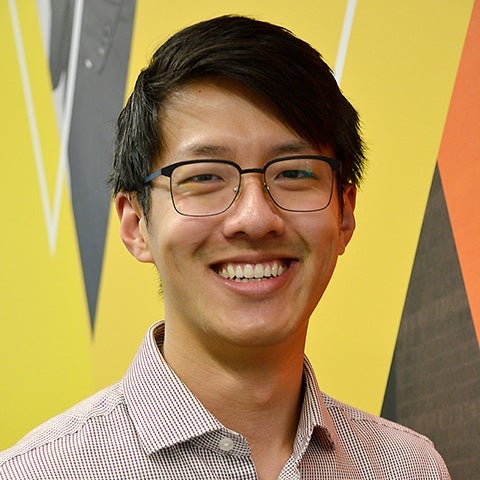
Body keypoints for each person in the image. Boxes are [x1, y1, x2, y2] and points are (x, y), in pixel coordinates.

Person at [0, 14, 450, 480]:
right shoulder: (39, 471)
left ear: (345, 211)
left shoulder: (410, 466)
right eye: (204, 177)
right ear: (135, 223)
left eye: (294, 173)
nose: (255, 218)